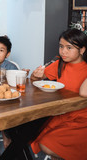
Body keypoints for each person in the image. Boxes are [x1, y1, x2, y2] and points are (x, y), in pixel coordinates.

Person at [30, 28, 87, 160]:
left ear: (82, 50)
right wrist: (35, 75)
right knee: (34, 134)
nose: (63, 51)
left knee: (47, 145)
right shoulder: (60, 64)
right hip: (61, 113)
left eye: (69, 47)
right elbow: (35, 80)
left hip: (81, 119)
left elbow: (83, 93)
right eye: (61, 47)